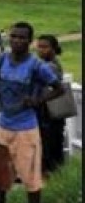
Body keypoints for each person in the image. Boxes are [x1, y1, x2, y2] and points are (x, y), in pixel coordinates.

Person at [0, 22, 64, 203]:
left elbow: (59, 88)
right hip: (4, 126)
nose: (17, 41)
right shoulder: (1, 60)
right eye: (14, 36)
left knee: (32, 180)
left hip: (26, 129)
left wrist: (37, 100)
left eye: (22, 38)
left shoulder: (37, 66)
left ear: (29, 41)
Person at [35, 34, 67, 175]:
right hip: (49, 114)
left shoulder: (50, 66)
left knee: (49, 151)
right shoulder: (48, 64)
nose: (41, 50)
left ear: (53, 48)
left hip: (49, 114)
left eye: (45, 47)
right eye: (39, 47)